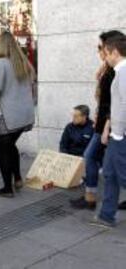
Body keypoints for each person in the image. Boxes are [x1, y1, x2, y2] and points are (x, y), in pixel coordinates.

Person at [0, 31, 35, 198]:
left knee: (4, 152)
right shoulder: (23, 63)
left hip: (6, 119)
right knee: (10, 147)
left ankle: (7, 188)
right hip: (23, 117)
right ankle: (17, 179)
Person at [70, 31, 123, 210]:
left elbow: (116, 102)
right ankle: (93, 199)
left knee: (92, 157)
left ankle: (91, 198)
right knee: (110, 166)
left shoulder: (115, 72)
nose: (99, 51)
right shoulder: (108, 70)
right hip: (105, 124)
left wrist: (107, 124)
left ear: (111, 49)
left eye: (101, 47)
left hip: (110, 125)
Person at [90, 35, 126, 228]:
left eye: (106, 52)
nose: (105, 56)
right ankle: (106, 215)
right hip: (115, 133)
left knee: (123, 176)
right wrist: (108, 129)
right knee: (110, 173)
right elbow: (117, 106)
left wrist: (118, 133)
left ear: (115, 52)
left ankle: (106, 215)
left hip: (121, 135)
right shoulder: (119, 72)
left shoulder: (124, 72)